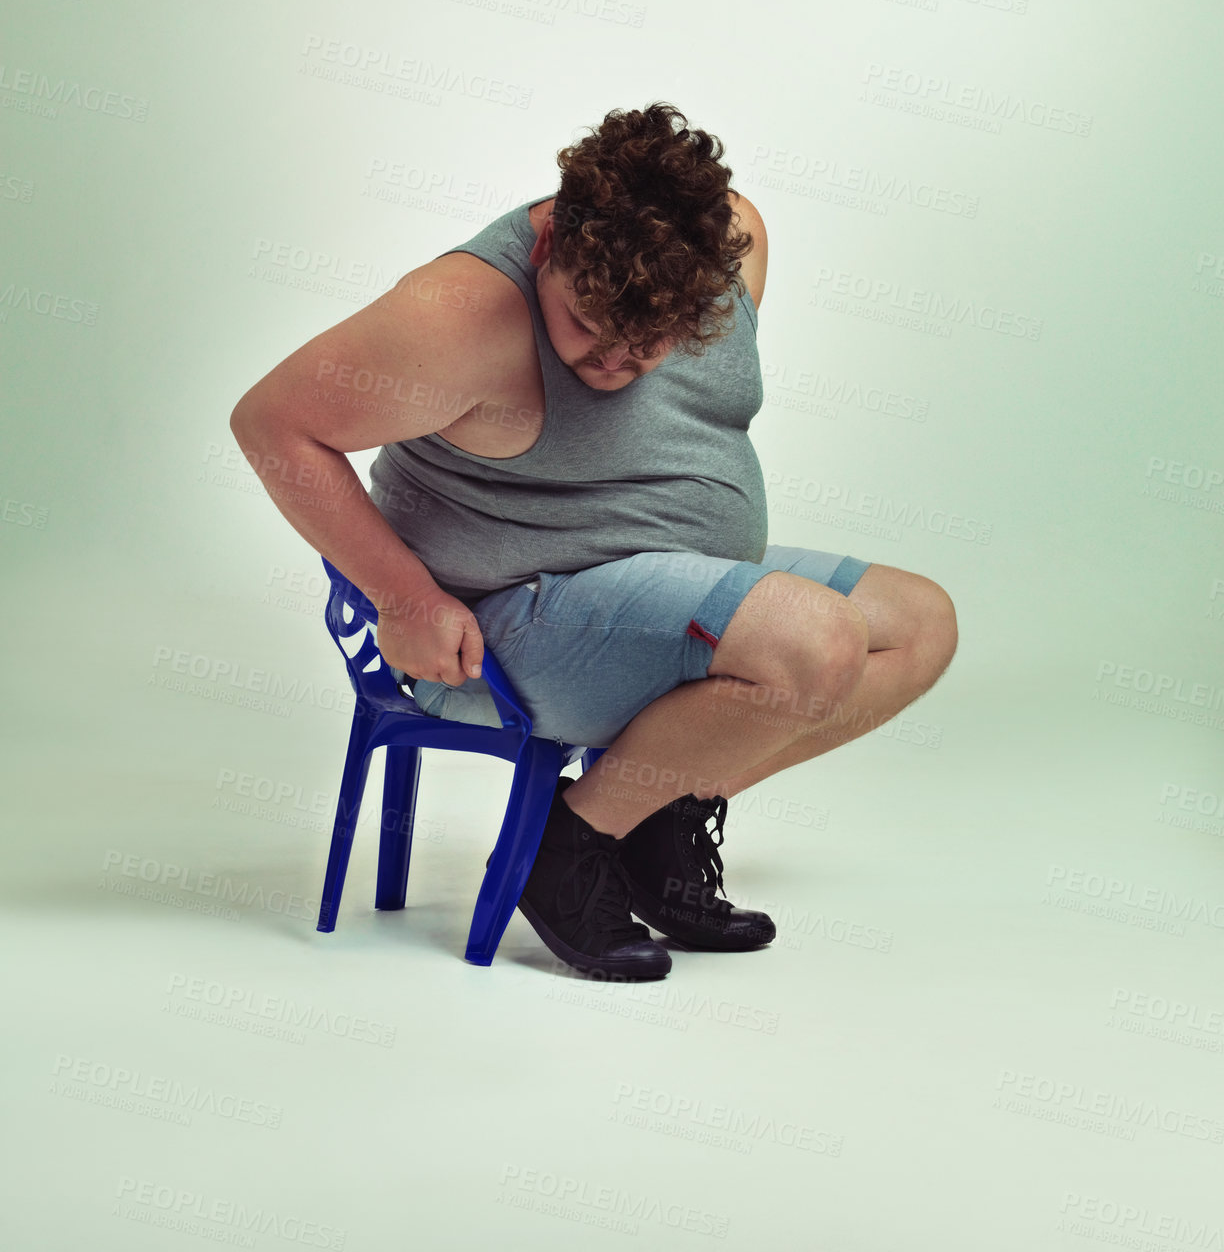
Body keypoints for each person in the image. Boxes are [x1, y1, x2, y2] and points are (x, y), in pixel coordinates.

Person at [230, 102, 958, 983]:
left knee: (920, 624)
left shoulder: (736, 242)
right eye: (587, 325)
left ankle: (649, 810)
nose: (615, 360)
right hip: (497, 633)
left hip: (666, 584)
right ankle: (563, 850)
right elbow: (272, 424)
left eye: (650, 342)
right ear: (549, 249)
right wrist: (405, 597)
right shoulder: (457, 316)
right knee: (816, 641)